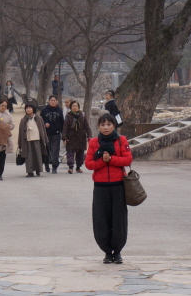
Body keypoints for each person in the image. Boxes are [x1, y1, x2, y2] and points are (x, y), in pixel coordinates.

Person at [85, 114, 133, 264]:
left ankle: (117, 251)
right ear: (99, 126)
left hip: (118, 185)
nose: (105, 128)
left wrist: (111, 159)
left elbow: (128, 159)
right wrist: (102, 161)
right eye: (103, 125)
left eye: (109, 124)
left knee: (118, 220)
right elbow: (88, 164)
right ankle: (106, 251)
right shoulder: (94, 142)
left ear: (114, 126)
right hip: (100, 187)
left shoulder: (121, 140)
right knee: (101, 219)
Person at [18, 102, 48, 177]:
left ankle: (38, 170)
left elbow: (43, 129)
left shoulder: (38, 118)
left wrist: (45, 140)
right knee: (29, 157)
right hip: (27, 140)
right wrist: (20, 143)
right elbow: (21, 132)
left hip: (37, 138)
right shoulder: (23, 119)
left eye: (30, 108)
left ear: (33, 109)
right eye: (27, 108)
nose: (28, 110)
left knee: (38, 155)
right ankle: (30, 171)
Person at [62, 101, 92, 174]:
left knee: (80, 154)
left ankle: (78, 167)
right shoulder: (68, 116)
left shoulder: (82, 115)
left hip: (81, 137)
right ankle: (70, 167)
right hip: (71, 137)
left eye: (76, 106)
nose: (74, 107)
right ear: (71, 107)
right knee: (70, 152)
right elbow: (65, 127)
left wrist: (89, 135)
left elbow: (86, 126)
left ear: (78, 107)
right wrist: (64, 137)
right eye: (73, 106)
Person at [40, 95, 64, 174]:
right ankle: (46, 164)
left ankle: (54, 166)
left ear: (56, 101)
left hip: (56, 133)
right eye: (51, 100)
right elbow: (40, 121)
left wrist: (63, 133)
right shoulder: (44, 110)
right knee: (46, 150)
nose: (53, 102)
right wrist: (44, 125)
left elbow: (62, 122)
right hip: (46, 133)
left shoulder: (59, 110)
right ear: (49, 101)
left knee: (55, 150)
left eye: (54, 100)